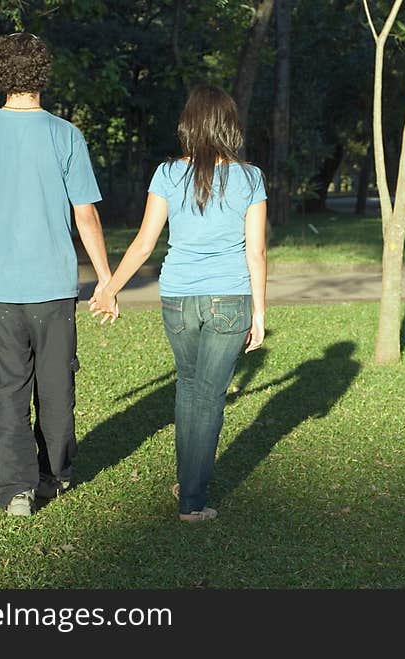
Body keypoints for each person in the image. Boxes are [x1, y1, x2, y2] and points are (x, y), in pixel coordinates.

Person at [0, 33, 113, 517]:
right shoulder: (66, 135)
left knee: (7, 388)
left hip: (0, 290)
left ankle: (17, 490)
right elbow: (86, 215)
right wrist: (105, 278)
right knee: (57, 388)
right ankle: (53, 477)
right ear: (43, 74)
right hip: (56, 289)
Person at [91, 83, 267, 523]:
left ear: (188, 125)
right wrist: (260, 313)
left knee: (189, 389)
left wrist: (111, 287)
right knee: (207, 397)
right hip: (229, 299)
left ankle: (187, 481)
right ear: (229, 126)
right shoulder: (250, 177)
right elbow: (256, 252)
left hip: (178, 299)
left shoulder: (167, 174)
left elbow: (144, 243)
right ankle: (192, 499)